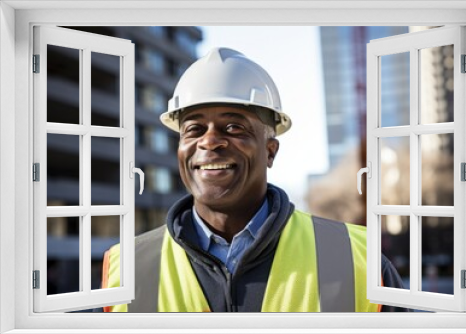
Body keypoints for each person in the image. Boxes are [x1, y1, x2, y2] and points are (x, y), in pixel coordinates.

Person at [101, 47, 408, 312]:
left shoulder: (356, 257)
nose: (210, 142)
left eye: (234, 127)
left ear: (270, 151)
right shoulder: (127, 267)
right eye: (194, 129)